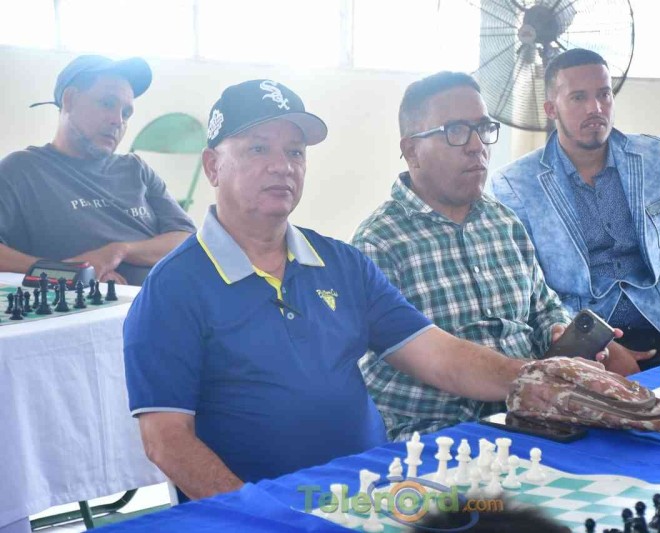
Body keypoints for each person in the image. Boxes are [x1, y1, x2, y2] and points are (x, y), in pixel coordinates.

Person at [123, 79, 555, 501]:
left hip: (371, 496)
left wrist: (535, 380)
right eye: (258, 148)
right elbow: (166, 440)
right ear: (213, 166)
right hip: (262, 513)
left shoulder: (342, 264)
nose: (282, 165)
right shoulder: (174, 287)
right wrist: (259, 515)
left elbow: (441, 357)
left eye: (295, 151)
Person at [352, 72, 577, 441]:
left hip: (531, 418)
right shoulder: (379, 244)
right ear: (412, 150)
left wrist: (559, 331)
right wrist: (514, 381)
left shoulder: (504, 222)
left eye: (483, 128)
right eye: (455, 131)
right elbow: (382, 372)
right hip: (438, 436)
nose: (477, 146)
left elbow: (543, 306)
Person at [490, 49, 660, 370]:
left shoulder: (656, 157)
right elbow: (529, 293)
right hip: (579, 340)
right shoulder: (515, 184)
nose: (595, 108)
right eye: (578, 97)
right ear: (551, 109)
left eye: (604, 94)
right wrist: (596, 342)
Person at [0, 55, 195, 285]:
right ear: (70, 100)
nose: (118, 120)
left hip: (172, 298)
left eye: (126, 113)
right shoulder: (20, 171)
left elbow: (187, 238)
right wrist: (67, 273)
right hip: (92, 306)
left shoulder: (136, 169)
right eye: (107, 103)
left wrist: (119, 251)